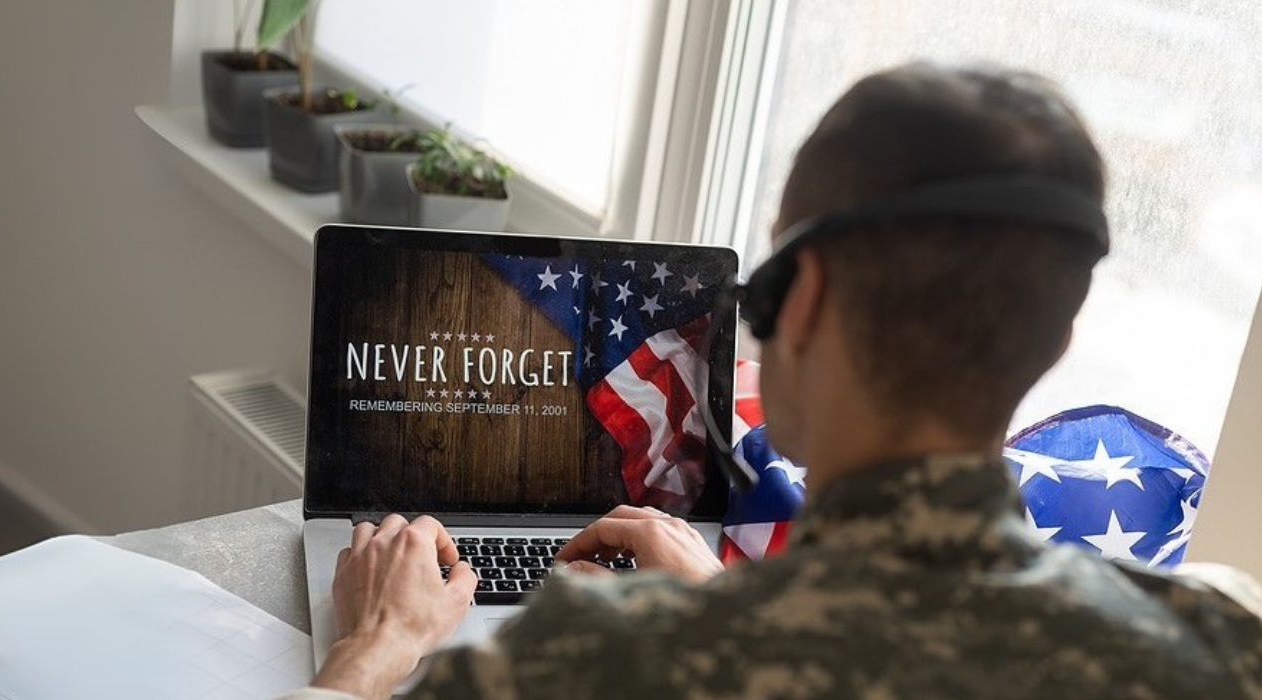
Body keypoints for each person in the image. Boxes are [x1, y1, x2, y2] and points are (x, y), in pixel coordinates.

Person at [278, 62, 1262, 700]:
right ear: (1055, 340)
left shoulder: (600, 660)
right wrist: (721, 596)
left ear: (808, 296)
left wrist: (374, 649)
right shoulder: (1215, 642)